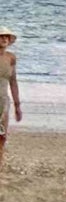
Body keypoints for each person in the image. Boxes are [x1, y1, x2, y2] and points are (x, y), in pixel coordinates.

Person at [0, 27, 22, 170]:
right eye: (1, 36)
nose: (4, 39)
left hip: (3, 100)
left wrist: (17, 105)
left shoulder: (11, 58)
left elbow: (13, 82)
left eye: (6, 37)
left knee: (3, 135)